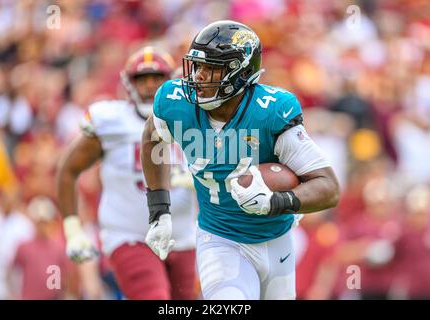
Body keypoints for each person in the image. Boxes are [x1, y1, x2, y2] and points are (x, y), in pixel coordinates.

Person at [141, 20, 340, 300]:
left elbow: (328, 187)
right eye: (198, 66)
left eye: (211, 68)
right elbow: (152, 137)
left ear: (241, 74)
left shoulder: (271, 111)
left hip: (277, 239)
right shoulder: (175, 102)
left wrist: (276, 202)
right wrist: (159, 210)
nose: (198, 76)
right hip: (219, 237)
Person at [56, 46, 197, 300]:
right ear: (128, 83)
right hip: (130, 236)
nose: (150, 86)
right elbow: (68, 170)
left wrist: (200, 181)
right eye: (142, 79)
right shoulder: (111, 120)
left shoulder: (192, 118)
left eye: (157, 78)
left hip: (184, 236)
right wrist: (73, 229)